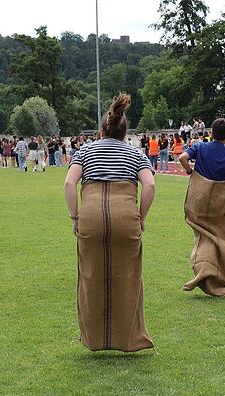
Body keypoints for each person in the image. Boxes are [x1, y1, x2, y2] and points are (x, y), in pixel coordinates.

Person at [64, 93, 155, 353]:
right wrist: (142, 216)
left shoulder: (85, 151)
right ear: (124, 132)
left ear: (102, 129)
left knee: (91, 276)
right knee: (129, 276)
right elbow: (149, 185)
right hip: (126, 215)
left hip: (91, 214)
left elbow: (70, 183)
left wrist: (75, 216)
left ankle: (94, 339)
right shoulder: (135, 154)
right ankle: (129, 339)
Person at [179, 118, 225, 297]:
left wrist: (189, 171)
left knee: (203, 235)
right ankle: (209, 276)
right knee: (219, 237)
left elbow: (182, 157)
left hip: (198, 198)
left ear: (211, 132)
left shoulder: (200, 147)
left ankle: (204, 272)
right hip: (217, 201)